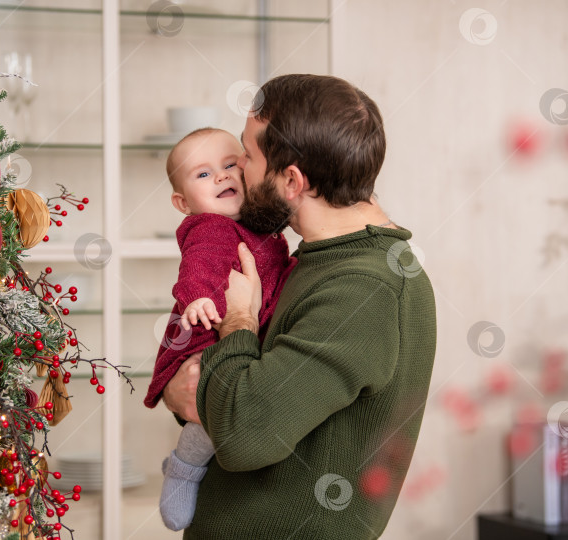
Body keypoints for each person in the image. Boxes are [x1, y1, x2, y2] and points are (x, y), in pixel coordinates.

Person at [162, 74, 437, 539]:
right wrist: (178, 389)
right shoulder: (311, 259)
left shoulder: (363, 290)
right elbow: (237, 386)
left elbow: (244, 434)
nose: (236, 172)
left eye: (247, 155)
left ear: (292, 180)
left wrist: (239, 321)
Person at [144, 127, 295, 531]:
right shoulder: (209, 227)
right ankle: (183, 467)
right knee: (213, 412)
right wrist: (197, 296)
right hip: (204, 333)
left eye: (231, 165)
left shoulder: (257, 227)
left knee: (227, 407)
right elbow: (199, 265)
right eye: (204, 174)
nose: (223, 176)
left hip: (236, 332)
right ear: (182, 202)